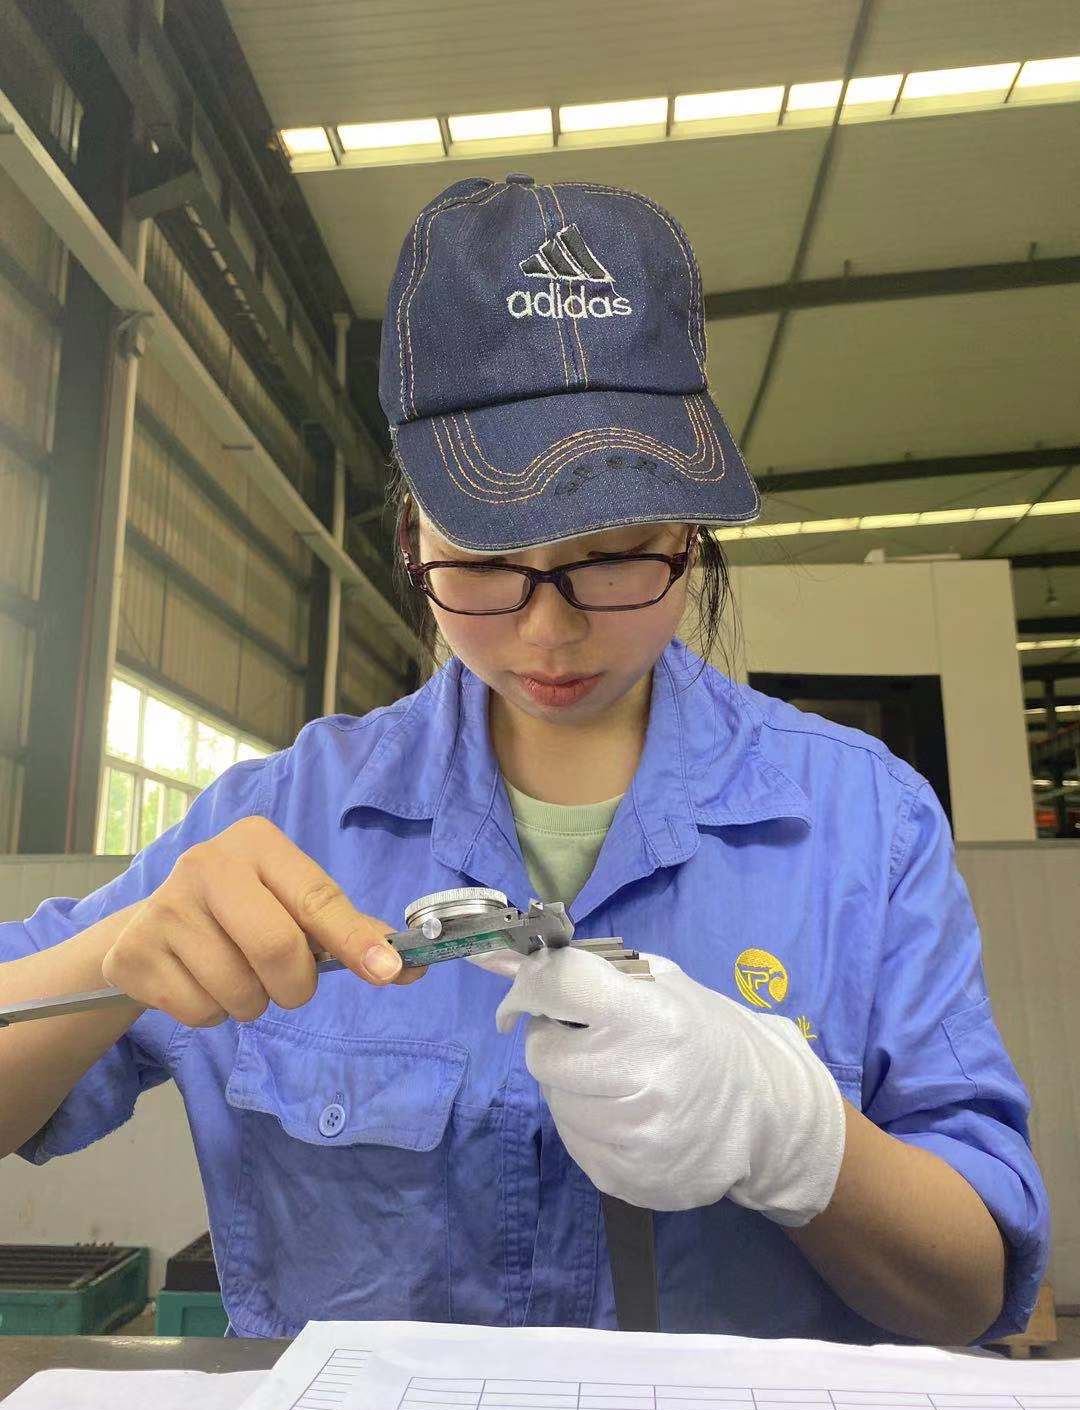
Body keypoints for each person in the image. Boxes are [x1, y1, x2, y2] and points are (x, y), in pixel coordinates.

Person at [0, 175, 1048, 1344]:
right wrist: (112, 954)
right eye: (487, 562)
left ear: (688, 536)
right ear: (413, 533)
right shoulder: (288, 817)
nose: (551, 632)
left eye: (614, 557)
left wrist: (797, 1140)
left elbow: (975, 1291)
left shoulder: (863, 825)